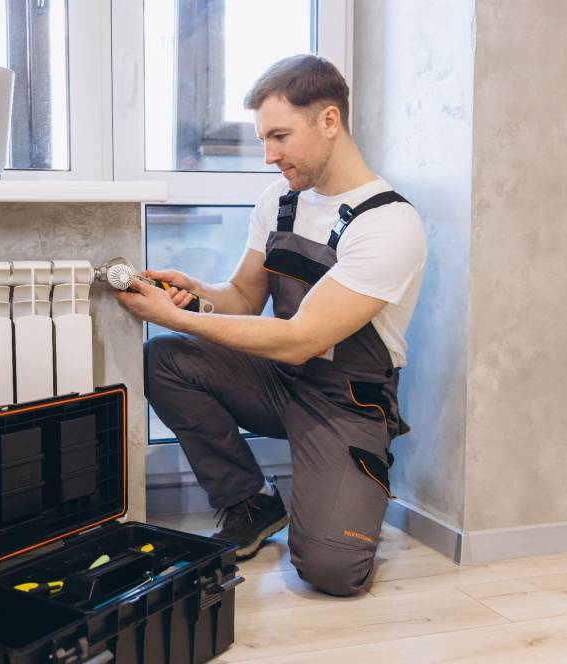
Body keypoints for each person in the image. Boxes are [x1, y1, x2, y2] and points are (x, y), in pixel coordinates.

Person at [117, 54, 427, 597]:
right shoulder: (280, 202)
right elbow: (240, 298)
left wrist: (170, 314)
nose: (269, 155)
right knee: (166, 358)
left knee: (331, 574)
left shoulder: (387, 224)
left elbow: (302, 338)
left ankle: (351, 481)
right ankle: (250, 502)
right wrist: (191, 300)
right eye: (264, 138)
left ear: (329, 120)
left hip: (345, 400)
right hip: (282, 382)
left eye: (280, 136)